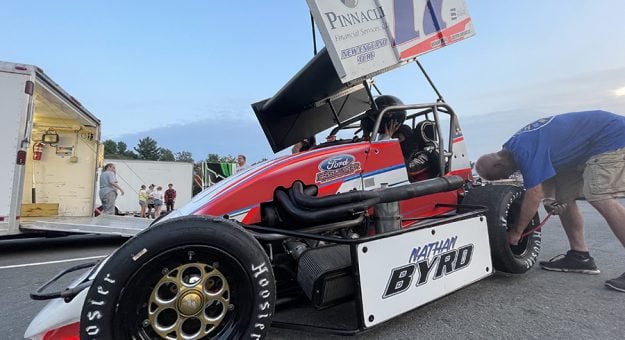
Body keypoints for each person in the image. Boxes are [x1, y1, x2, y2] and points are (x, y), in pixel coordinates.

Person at [475, 110, 625, 292]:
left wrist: (517, 231)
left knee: (599, 195)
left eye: (499, 176)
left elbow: (533, 193)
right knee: (565, 198)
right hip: (583, 149)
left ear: (498, 165)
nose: (506, 177)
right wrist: (550, 199)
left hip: (612, 136)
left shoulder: (523, 150)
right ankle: (580, 256)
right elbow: (546, 177)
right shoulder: (515, 147)